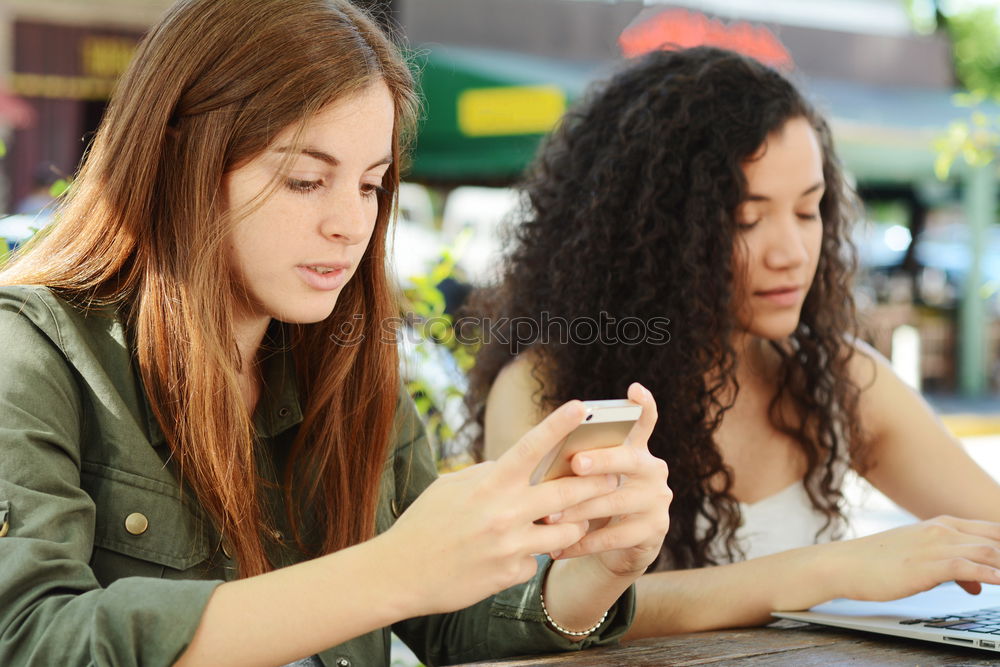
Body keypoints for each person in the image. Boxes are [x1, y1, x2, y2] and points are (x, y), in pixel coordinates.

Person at [0, 2, 672, 666]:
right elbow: (33, 637)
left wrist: (596, 570)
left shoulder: (344, 363)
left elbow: (451, 616)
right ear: (184, 164)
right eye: (305, 179)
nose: (350, 223)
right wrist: (391, 572)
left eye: (371, 184)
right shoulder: (32, 352)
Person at [468, 45, 1000, 638]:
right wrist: (832, 569)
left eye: (808, 210)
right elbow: (528, 612)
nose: (791, 253)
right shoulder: (547, 392)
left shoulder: (836, 376)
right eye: (747, 220)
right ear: (654, 233)